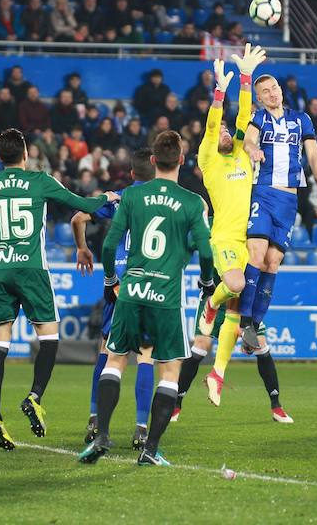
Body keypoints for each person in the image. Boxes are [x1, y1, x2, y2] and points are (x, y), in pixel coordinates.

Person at [0, 129, 118, 451]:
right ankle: (35, 396)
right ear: (26, 154)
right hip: (33, 270)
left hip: (1, 269)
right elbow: (79, 203)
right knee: (49, 338)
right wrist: (105, 198)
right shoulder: (40, 181)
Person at [78, 130, 215, 467]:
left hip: (132, 292)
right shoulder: (192, 202)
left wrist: (111, 278)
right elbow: (206, 251)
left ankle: (102, 434)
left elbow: (109, 244)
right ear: (182, 160)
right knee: (168, 369)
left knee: (114, 359)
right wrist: (207, 282)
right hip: (166, 296)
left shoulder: (131, 198)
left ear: (153, 161)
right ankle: (149, 449)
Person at [179, 48, 292, 422]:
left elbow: (244, 116)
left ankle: (218, 374)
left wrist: (247, 78)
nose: (226, 132)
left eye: (230, 131)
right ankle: (211, 301)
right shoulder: (209, 159)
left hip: (246, 240)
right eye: (222, 132)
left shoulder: (242, 155)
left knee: (236, 311)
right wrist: (220, 91)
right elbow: (215, 123)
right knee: (234, 286)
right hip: (224, 241)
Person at [239, 60, 317, 350]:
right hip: (263, 192)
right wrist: (253, 150)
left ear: (281, 91)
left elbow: (313, 157)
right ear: (259, 98)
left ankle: (255, 326)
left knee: (273, 262)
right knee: (256, 255)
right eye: (266, 91)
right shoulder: (259, 118)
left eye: (275, 89)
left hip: (288, 199)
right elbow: (248, 141)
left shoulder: (302, 119)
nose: (272, 94)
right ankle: (244, 320)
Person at [72, 149, 155, 449]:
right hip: (150, 284)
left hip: (118, 282)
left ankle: (96, 419)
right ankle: (142, 428)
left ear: (131, 174)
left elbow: (78, 217)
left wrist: (82, 248)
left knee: (108, 352)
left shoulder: (118, 198)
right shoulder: (166, 198)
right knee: (146, 353)